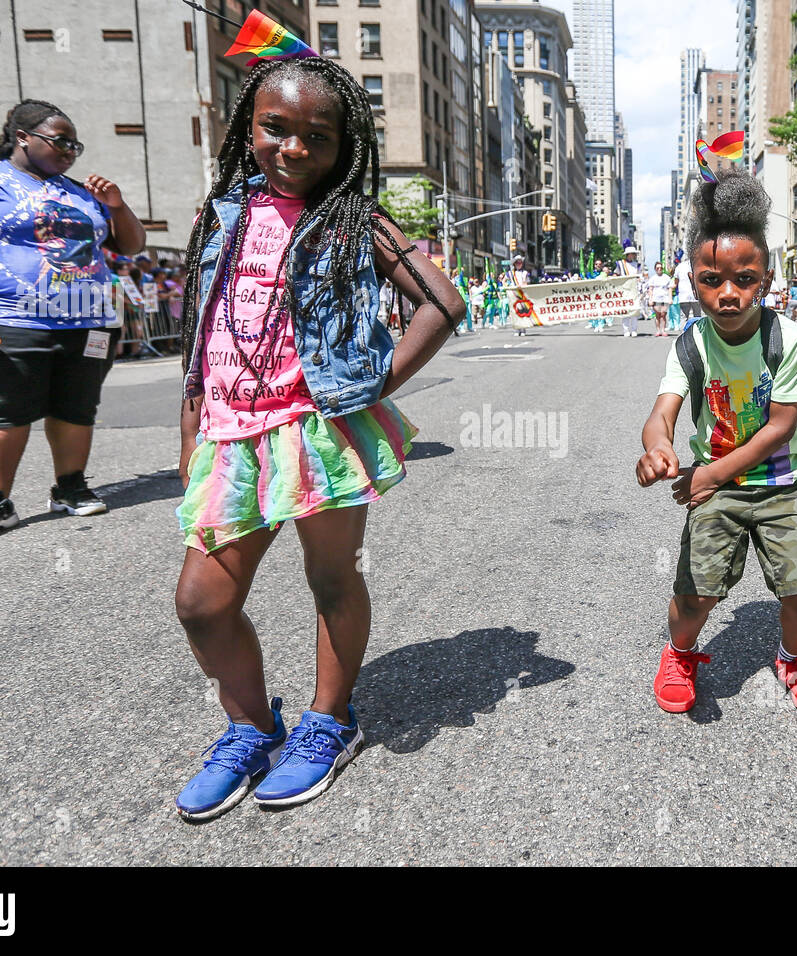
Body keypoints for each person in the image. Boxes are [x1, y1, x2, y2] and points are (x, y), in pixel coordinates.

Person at [171, 52, 465, 821]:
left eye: (318, 136)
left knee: (331, 580)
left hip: (316, 431)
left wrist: (371, 387)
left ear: (343, 148)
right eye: (277, 128)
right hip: (231, 436)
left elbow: (442, 301)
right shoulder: (223, 213)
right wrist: (191, 421)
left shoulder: (352, 219)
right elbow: (200, 328)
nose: (294, 149)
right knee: (202, 601)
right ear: (248, 127)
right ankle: (251, 727)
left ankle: (328, 722)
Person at [635, 168, 797, 719]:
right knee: (697, 592)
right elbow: (661, 414)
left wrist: (710, 474)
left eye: (744, 279)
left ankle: (796, 658)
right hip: (714, 485)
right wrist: (656, 449)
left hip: (778, 482)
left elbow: (779, 427)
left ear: (766, 280)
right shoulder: (690, 343)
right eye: (711, 280)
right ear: (693, 280)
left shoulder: (789, 339)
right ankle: (679, 653)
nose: (727, 294)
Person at [0, 99, 146, 543]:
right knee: (4, 410)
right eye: (59, 140)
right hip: (12, 319)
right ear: (23, 137)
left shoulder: (81, 191)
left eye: (75, 144)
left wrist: (117, 206)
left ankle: (69, 487)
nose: (69, 150)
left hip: (91, 322)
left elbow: (131, 246)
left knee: (77, 407)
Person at [616, 240, 643, 337]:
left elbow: (640, 277)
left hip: (634, 290)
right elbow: (616, 275)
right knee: (626, 311)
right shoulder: (620, 264)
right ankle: (626, 330)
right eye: (630, 254)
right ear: (627, 255)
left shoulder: (637, 265)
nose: (631, 255)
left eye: (633, 254)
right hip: (624, 290)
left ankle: (634, 329)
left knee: (634, 310)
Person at [673, 248, 700, 329]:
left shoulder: (679, 267)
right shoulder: (696, 264)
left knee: (684, 317)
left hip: (683, 295)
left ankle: (683, 336)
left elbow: (676, 282)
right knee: (698, 317)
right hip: (695, 295)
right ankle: (699, 334)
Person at [648, 261, 672, 336]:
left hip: (665, 298)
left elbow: (670, 289)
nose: (659, 269)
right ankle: (658, 330)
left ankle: (663, 330)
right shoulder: (653, 278)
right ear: (655, 269)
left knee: (663, 314)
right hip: (656, 298)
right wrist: (650, 299)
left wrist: (670, 299)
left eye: (660, 268)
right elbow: (650, 289)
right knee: (657, 315)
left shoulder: (666, 277)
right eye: (657, 268)